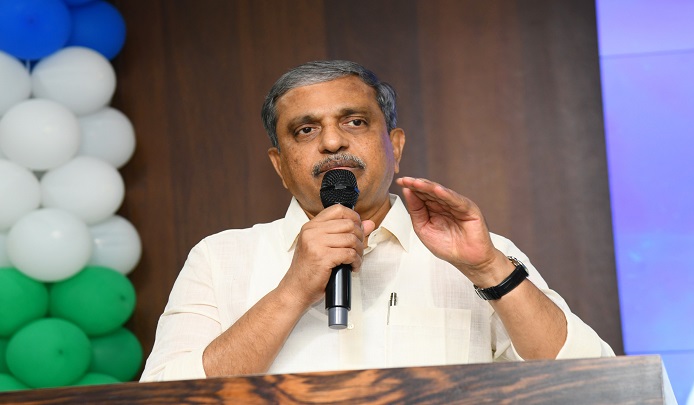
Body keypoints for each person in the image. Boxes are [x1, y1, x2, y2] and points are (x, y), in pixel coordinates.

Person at [141, 60, 614, 382]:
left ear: (396, 146)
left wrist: (488, 268)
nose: (332, 143)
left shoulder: (478, 255)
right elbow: (163, 395)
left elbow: (594, 382)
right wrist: (293, 289)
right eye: (306, 129)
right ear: (279, 166)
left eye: (355, 122)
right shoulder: (220, 258)